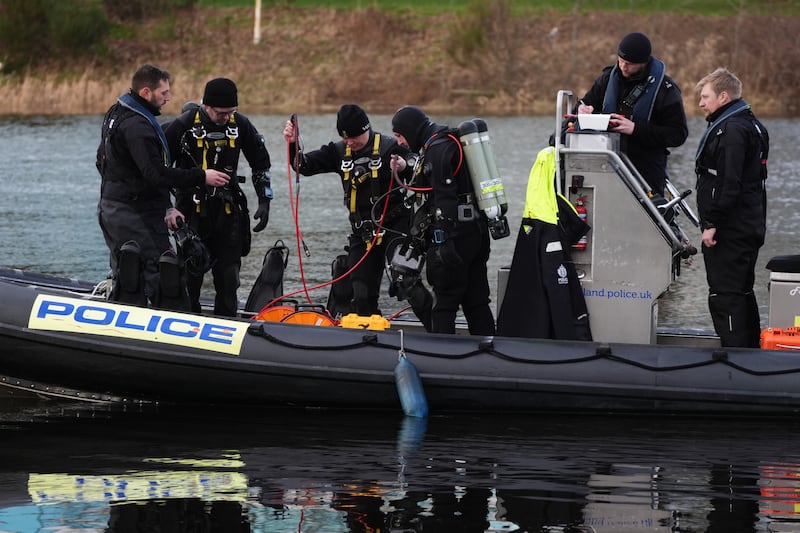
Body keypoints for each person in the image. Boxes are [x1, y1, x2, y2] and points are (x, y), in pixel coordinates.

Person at [282, 104, 432, 330]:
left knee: (407, 283)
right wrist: (292, 142)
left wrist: (403, 167)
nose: (350, 142)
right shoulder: (339, 151)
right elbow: (302, 165)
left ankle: (437, 330)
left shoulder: (391, 147)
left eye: (354, 137)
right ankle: (370, 338)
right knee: (360, 292)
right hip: (363, 234)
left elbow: (418, 170)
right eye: (346, 138)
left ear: (366, 129)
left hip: (396, 228)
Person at [96, 64, 230, 309]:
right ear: (146, 92)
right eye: (164, 93)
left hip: (112, 208)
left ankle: (121, 309)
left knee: (126, 266)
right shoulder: (137, 126)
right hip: (134, 213)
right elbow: (155, 174)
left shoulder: (116, 113)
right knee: (160, 269)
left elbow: (101, 162)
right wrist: (202, 176)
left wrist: (165, 207)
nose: (168, 98)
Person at [163, 77, 273, 317]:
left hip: (227, 211)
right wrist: (168, 208)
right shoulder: (182, 126)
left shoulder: (240, 125)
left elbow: (261, 165)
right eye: (221, 113)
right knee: (190, 276)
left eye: (231, 112)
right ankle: (186, 323)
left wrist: (264, 202)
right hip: (190, 212)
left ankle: (227, 322)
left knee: (229, 277)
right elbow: (159, 172)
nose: (226, 117)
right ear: (207, 106)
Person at [391, 105, 496, 336]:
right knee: (476, 301)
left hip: (455, 237)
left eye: (399, 135)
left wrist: (443, 242)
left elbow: (445, 200)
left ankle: (442, 357)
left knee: (444, 304)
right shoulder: (449, 140)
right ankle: (488, 351)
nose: (399, 142)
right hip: (476, 231)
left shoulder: (437, 149)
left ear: (410, 130)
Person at [695, 67, 768, 348]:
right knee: (741, 291)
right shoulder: (750, 123)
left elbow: (729, 182)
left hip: (730, 229)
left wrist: (712, 223)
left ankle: (735, 359)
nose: (701, 103)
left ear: (723, 97)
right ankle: (749, 351)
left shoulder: (734, 130)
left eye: (705, 97)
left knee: (726, 294)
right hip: (747, 223)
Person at [576, 32, 688, 196]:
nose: (623, 67)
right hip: (608, 166)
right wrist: (582, 109)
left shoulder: (665, 90)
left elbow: (678, 134)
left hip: (646, 172)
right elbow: (585, 103)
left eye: (629, 63)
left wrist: (636, 129)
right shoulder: (607, 79)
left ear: (643, 63)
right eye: (620, 60)